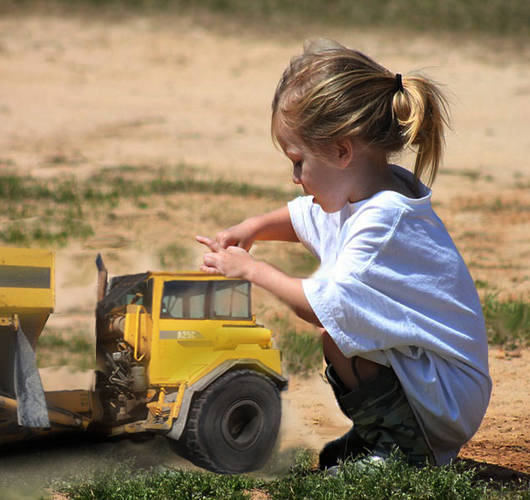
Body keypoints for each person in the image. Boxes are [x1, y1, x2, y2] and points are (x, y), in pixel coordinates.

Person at [196, 39, 491, 469]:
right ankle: (380, 435)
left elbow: (320, 306)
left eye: (298, 161)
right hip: (437, 384)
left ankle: (401, 450)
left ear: (341, 150)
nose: (295, 177)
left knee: (338, 331)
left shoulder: (382, 224)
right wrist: (253, 228)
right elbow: (306, 219)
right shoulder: (369, 190)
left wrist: (251, 269)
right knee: (341, 337)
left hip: (445, 395)